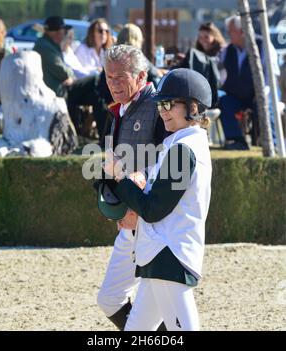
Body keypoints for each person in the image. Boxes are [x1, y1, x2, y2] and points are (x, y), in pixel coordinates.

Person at [103, 68, 212, 331]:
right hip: (157, 254)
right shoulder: (176, 146)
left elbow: (153, 210)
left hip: (169, 255)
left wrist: (120, 177)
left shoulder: (184, 151)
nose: (162, 110)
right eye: (160, 104)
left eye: (168, 104)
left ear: (193, 107)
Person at [96, 44, 166, 331]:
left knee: (164, 307)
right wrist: (116, 207)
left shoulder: (160, 108)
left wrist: (136, 200)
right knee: (110, 299)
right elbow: (109, 166)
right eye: (108, 77)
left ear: (141, 75)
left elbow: (170, 163)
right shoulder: (114, 111)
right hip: (129, 220)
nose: (113, 84)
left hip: (154, 223)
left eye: (120, 77)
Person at [33, 16, 108, 138]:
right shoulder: (45, 47)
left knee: (98, 95)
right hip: (58, 92)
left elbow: (66, 71)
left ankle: (104, 137)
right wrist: (70, 76)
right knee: (97, 81)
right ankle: (102, 136)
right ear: (57, 33)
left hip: (62, 89)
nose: (65, 34)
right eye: (64, 31)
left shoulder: (49, 45)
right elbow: (63, 72)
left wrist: (70, 76)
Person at [219, 15, 280, 149]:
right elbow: (222, 76)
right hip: (236, 96)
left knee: (264, 103)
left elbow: (272, 75)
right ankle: (237, 141)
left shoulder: (263, 45)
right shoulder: (227, 51)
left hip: (259, 94)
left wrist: (263, 92)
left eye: (230, 31)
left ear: (242, 31)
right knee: (225, 102)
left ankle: (272, 143)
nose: (228, 34)